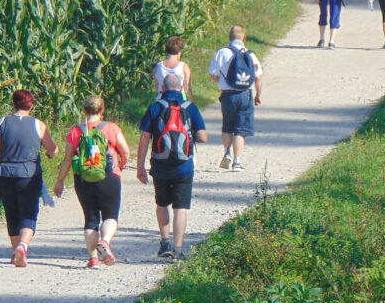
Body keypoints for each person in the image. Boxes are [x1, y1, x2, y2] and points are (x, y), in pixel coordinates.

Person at [0, 90, 58, 267]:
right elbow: (53, 149)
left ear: (13, 103)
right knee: (28, 213)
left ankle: (16, 253)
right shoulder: (38, 125)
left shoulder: (2, 121)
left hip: (4, 174)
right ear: (31, 105)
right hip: (28, 174)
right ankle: (23, 246)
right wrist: (49, 154)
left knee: (11, 213)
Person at [137, 74, 207, 261]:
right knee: (180, 207)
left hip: (160, 165)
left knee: (161, 203)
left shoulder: (155, 107)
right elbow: (203, 137)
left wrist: (140, 167)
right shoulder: (190, 108)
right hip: (184, 166)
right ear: (182, 86)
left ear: (162, 87)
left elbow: (145, 137)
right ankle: (178, 249)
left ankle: (165, 243)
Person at [54, 95, 130, 269]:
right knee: (110, 215)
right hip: (109, 176)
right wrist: (120, 167)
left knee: (90, 218)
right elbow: (125, 152)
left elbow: (67, 159)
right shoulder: (111, 128)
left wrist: (59, 181)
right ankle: (105, 241)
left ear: (84, 110)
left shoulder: (76, 131)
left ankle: (93, 259)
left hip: (83, 178)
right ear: (102, 111)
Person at [209, 25, 262, 171]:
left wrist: (223, 81)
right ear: (244, 38)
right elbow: (258, 77)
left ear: (229, 38)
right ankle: (237, 161)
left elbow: (213, 74)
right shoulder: (250, 55)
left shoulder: (222, 53)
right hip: (245, 94)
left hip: (228, 95)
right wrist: (258, 95)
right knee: (240, 129)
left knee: (227, 125)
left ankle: (227, 153)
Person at [154, 36, 193, 101]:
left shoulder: (158, 66)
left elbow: (157, 88)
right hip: (179, 99)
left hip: (161, 99)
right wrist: (191, 102)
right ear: (180, 52)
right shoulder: (184, 66)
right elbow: (187, 88)